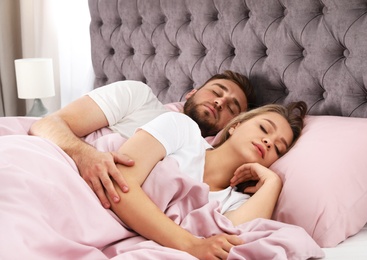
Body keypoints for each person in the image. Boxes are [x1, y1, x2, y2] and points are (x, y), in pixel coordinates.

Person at [102, 101, 307, 259]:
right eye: (264, 129)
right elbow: (118, 184)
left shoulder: (237, 202)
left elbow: (235, 245)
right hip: (94, 206)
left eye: (279, 148)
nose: (268, 141)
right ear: (235, 125)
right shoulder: (183, 129)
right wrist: (191, 245)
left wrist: (273, 183)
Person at [29, 71, 256, 208]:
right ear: (191, 93)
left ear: (232, 126)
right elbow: (47, 124)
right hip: (54, 170)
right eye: (216, 92)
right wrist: (86, 155)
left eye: (232, 107)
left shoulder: (205, 162)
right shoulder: (139, 97)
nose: (220, 102)